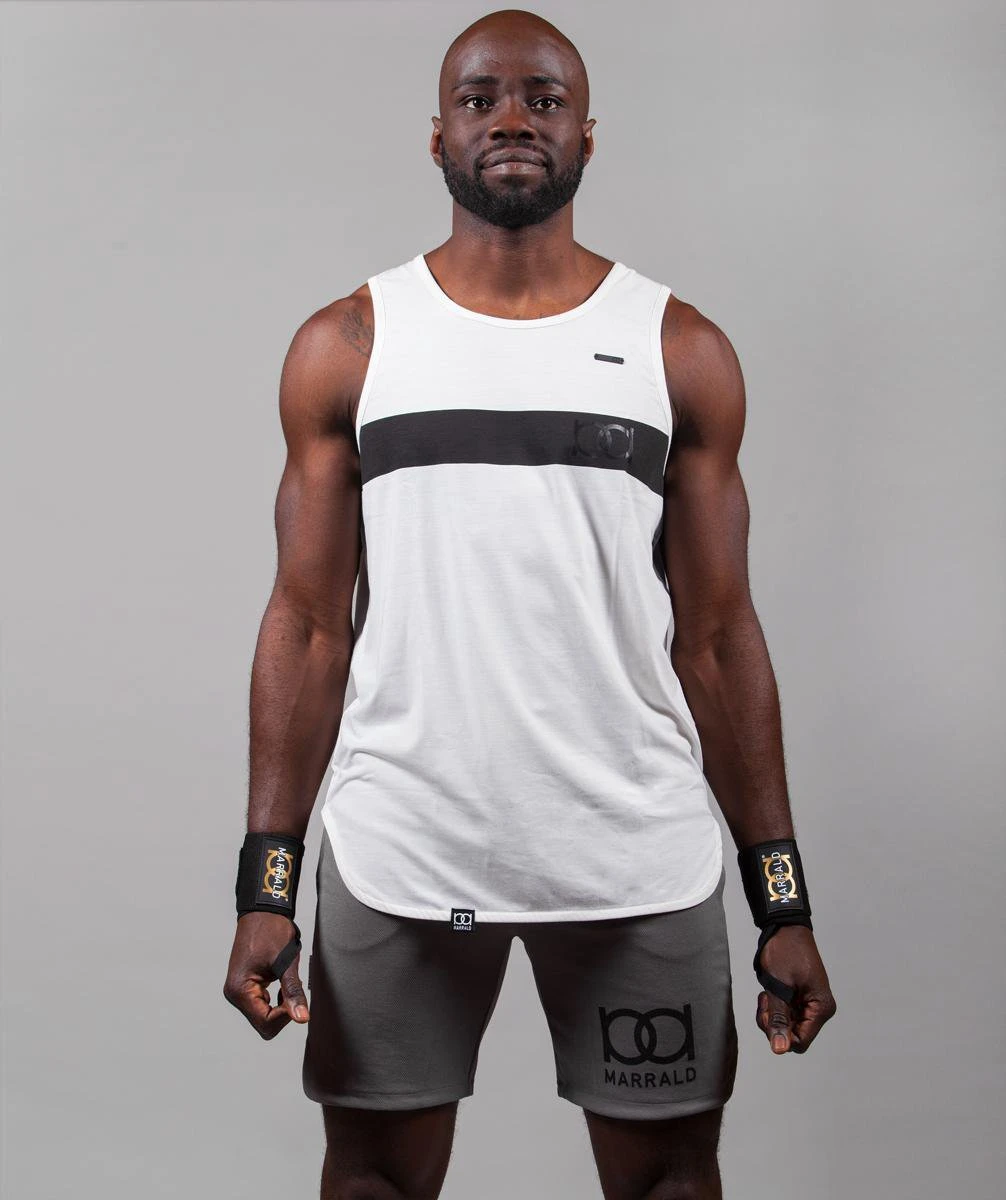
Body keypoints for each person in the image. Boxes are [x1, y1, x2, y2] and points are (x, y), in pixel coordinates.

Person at [223, 8, 837, 1198]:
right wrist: (267, 885)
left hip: (632, 853)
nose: (511, 118)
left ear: (587, 136)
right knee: (371, 1179)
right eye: (480, 98)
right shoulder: (349, 345)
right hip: (404, 847)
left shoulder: (677, 349)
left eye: (543, 99)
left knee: (669, 1179)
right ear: (438, 135)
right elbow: (307, 626)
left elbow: (718, 640)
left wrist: (783, 900)